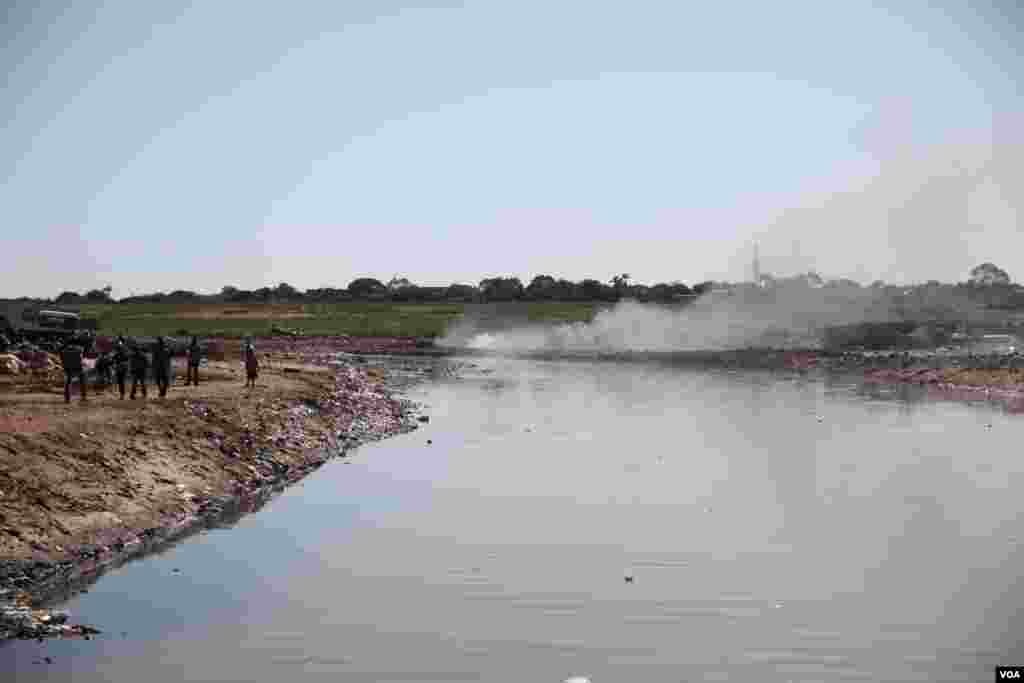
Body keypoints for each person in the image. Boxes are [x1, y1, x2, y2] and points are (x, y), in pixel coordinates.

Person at [60, 337, 87, 403]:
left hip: (68, 367)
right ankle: (83, 396)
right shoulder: (79, 349)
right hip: (78, 367)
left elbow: (62, 359)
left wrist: (64, 366)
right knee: (82, 380)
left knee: (68, 382)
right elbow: (81, 358)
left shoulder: (63, 350)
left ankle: (67, 398)